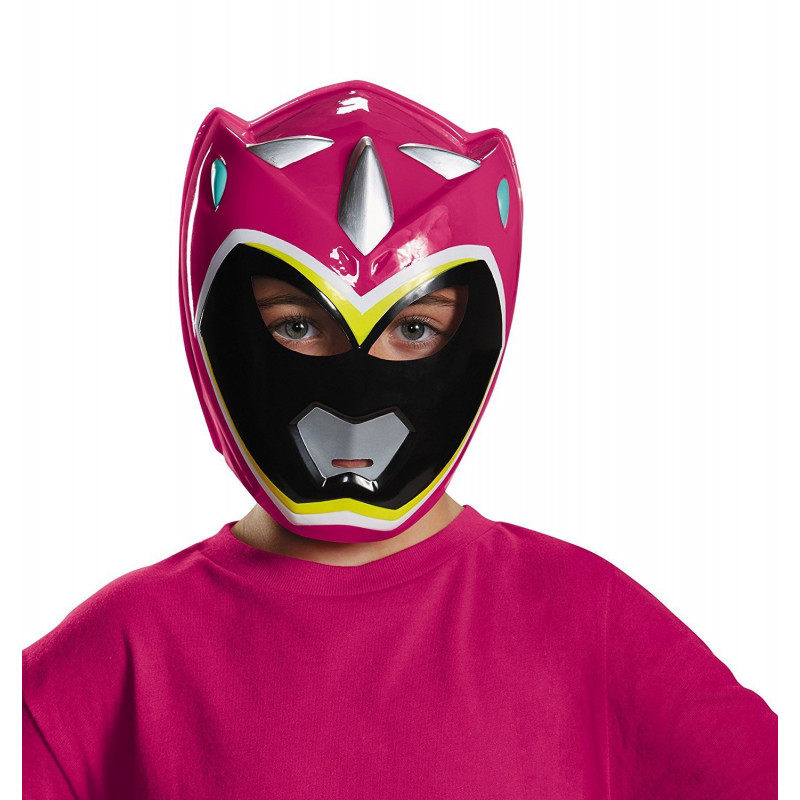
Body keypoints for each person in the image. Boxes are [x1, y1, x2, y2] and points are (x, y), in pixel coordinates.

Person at [22, 81, 777, 799]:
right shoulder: (103, 668)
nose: (355, 394)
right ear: (218, 326)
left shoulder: (589, 623)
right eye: (297, 324)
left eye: (413, 329)